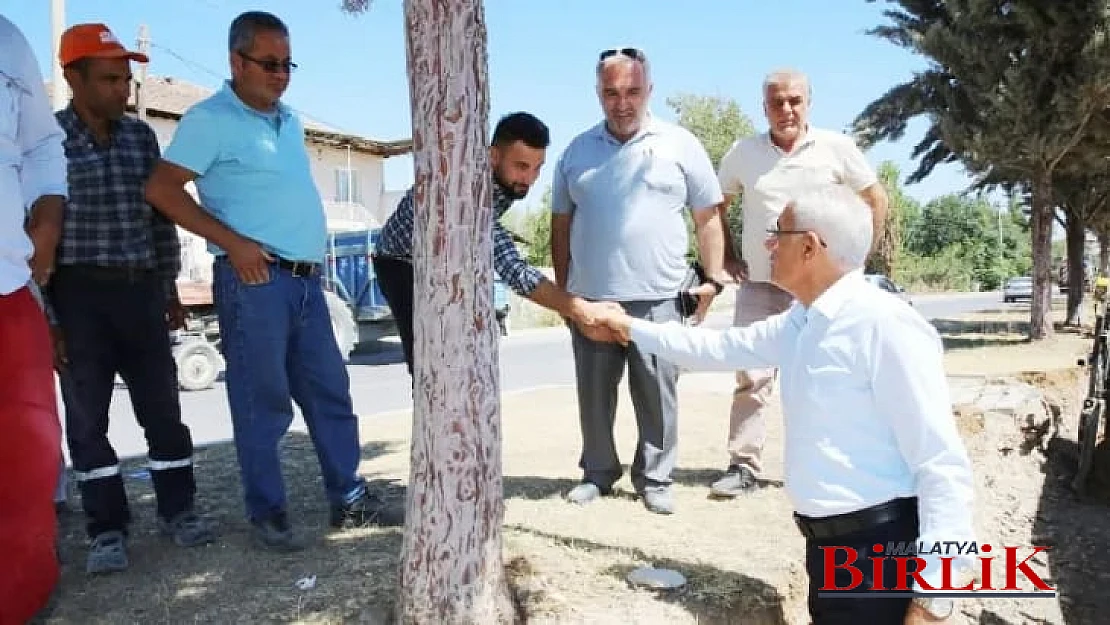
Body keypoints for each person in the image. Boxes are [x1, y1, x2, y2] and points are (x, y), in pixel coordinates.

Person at [593, 184, 974, 624]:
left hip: (881, 555)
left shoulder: (883, 326)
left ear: (810, 247)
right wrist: (629, 327)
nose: (767, 244)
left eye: (779, 234)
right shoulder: (804, 320)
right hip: (829, 553)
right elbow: (718, 347)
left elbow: (942, 464)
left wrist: (934, 602)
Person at [144, 10, 401, 552]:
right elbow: (163, 191)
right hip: (254, 282)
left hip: (307, 283)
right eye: (268, 63)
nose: (280, 74)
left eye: (287, 64)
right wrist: (234, 243)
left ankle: (350, 499)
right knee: (263, 403)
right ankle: (269, 512)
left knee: (331, 393)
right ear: (236, 61)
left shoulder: (289, 121)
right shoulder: (208, 119)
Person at [46, 23, 218, 574]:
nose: (124, 89)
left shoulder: (140, 137)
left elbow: (160, 218)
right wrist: (51, 317)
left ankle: (180, 510)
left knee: (163, 409)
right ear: (74, 78)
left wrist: (167, 284)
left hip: (141, 290)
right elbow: (38, 236)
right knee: (87, 419)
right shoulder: (48, 143)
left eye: (126, 78)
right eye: (110, 79)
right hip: (78, 294)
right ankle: (106, 529)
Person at [550, 47, 729, 515]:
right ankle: (598, 473)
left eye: (632, 91)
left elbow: (708, 217)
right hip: (593, 301)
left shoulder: (681, 143)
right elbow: (560, 227)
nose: (622, 102)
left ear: (649, 90)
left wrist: (711, 281)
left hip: (660, 299)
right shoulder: (576, 151)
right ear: (598, 94)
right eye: (611, 92)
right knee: (594, 395)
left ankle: (655, 478)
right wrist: (567, 298)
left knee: (657, 393)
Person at [708, 68, 890, 498]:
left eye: (794, 101)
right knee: (751, 376)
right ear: (763, 105)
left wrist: (858, 261)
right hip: (761, 284)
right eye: (776, 102)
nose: (786, 109)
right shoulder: (743, 152)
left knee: (828, 374)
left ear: (808, 103)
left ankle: (833, 463)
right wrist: (727, 259)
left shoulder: (836, 148)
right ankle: (743, 466)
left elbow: (876, 199)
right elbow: (714, 206)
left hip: (821, 289)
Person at [374, 111, 615, 377]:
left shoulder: (502, 183)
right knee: (428, 362)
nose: (530, 179)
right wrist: (581, 309)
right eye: (522, 166)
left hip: (445, 257)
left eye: (538, 168)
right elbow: (514, 270)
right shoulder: (468, 193)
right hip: (400, 263)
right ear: (493, 156)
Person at [0, 13, 67, 623]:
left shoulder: (6, 38)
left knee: (27, 475)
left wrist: (48, 215)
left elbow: (42, 143)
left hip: (9, 294)